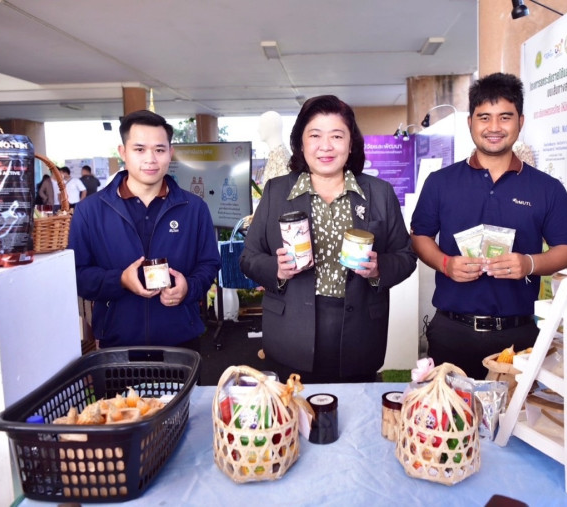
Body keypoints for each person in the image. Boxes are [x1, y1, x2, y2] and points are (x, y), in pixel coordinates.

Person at [410, 72, 567, 380]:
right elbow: (420, 236)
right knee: (450, 409)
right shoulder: (440, 183)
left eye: (505, 117)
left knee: (515, 412)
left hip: (517, 337)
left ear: (520, 122)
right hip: (451, 331)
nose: (494, 127)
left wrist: (529, 263)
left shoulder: (547, 188)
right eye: (484, 117)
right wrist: (445, 264)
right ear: (470, 122)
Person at [240, 95, 417, 383]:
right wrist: (277, 269)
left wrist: (379, 268)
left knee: (357, 408)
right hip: (290, 330)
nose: (326, 146)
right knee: (293, 408)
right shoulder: (276, 191)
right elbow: (249, 257)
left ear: (351, 143)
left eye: (336, 135)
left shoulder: (379, 192)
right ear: (301, 143)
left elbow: (406, 256)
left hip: (360, 332)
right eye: (315, 135)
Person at [67, 109, 221, 351]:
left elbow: (209, 264)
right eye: (139, 149)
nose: (150, 159)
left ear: (170, 153)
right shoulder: (90, 211)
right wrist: (120, 280)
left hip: (181, 340)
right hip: (117, 343)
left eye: (159, 150)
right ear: (123, 152)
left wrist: (188, 288)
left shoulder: (193, 208)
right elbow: (77, 275)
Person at [258, 111, 291, 187]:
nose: (258, 130)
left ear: (272, 126)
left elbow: (283, 191)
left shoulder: (280, 160)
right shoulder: (276, 156)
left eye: (261, 125)